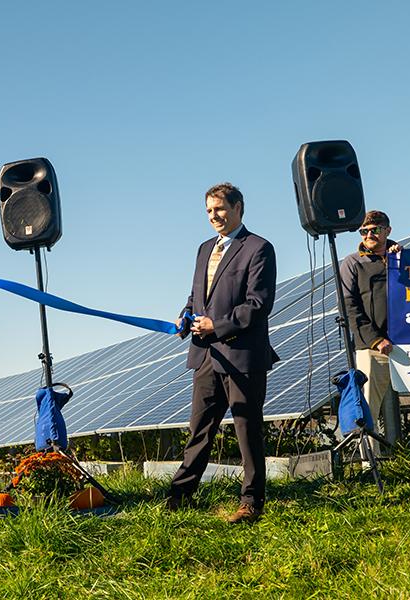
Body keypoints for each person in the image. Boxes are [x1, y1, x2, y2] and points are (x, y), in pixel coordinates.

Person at [166, 183, 278, 524]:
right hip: (205, 356)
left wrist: (218, 325)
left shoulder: (258, 248)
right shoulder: (204, 249)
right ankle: (179, 496)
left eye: (220, 209)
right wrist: (186, 316)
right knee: (199, 428)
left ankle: (251, 502)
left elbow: (258, 305)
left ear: (238, 207)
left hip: (242, 354)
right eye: (209, 211)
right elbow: (197, 295)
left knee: (248, 430)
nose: (214, 216)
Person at [339, 210, 410, 462]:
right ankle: (370, 466)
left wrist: (399, 261)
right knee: (366, 409)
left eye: (375, 230)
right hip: (373, 347)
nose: (369, 235)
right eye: (364, 231)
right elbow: (349, 306)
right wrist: (376, 339)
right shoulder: (353, 263)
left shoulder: (403, 258)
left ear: (387, 230)